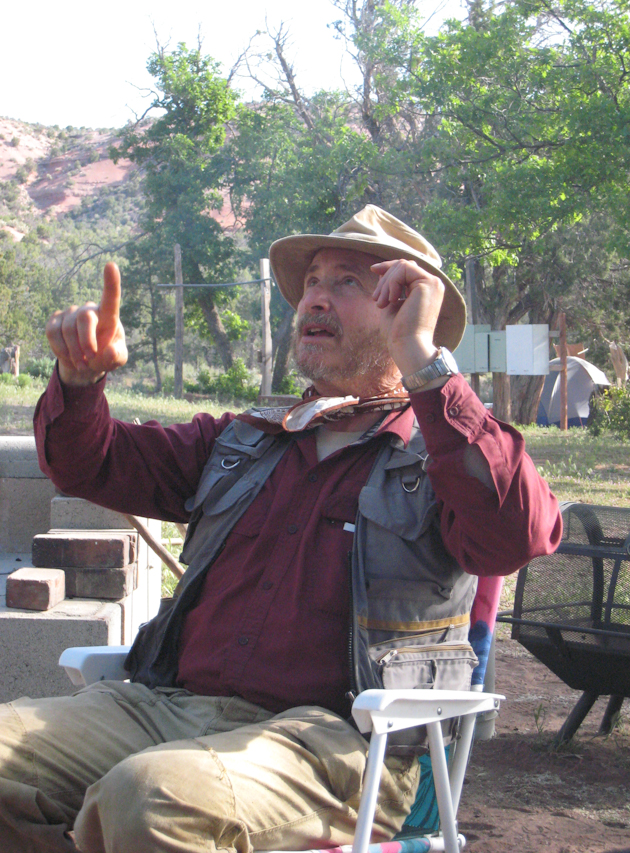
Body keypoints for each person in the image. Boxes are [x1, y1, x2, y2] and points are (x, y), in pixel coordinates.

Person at [0, 205, 562, 853]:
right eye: (312, 280)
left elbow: (520, 534)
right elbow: (87, 463)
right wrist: (81, 378)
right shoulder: (245, 441)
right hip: (168, 709)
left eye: (348, 282)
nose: (315, 296)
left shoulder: (442, 457)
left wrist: (422, 360)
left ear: (406, 307)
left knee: (150, 797)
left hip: (341, 742)